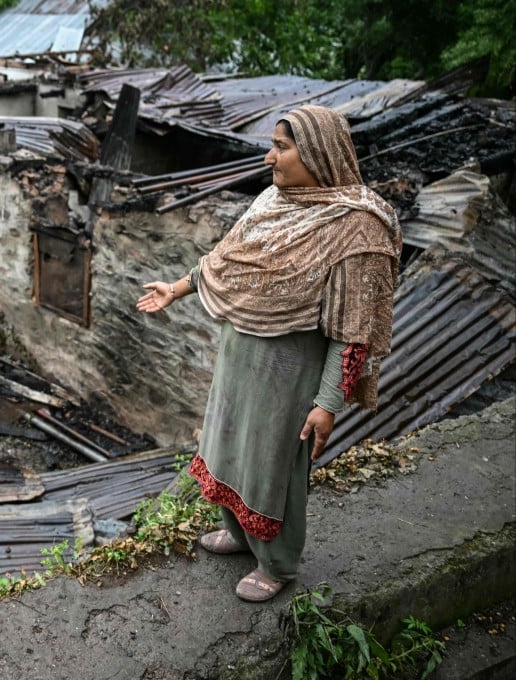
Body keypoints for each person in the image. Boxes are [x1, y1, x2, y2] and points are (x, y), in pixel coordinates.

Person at [136, 105, 401, 602]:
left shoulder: (357, 227)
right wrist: (176, 288)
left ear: (319, 153)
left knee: (272, 464)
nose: (268, 157)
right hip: (240, 358)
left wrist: (328, 403)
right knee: (228, 448)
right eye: (273, 145)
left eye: (281, 146)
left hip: (289, 373)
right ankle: (240, 538)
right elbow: (228, 263)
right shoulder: (271, 203)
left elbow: (354, 329)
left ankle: (277, 563)